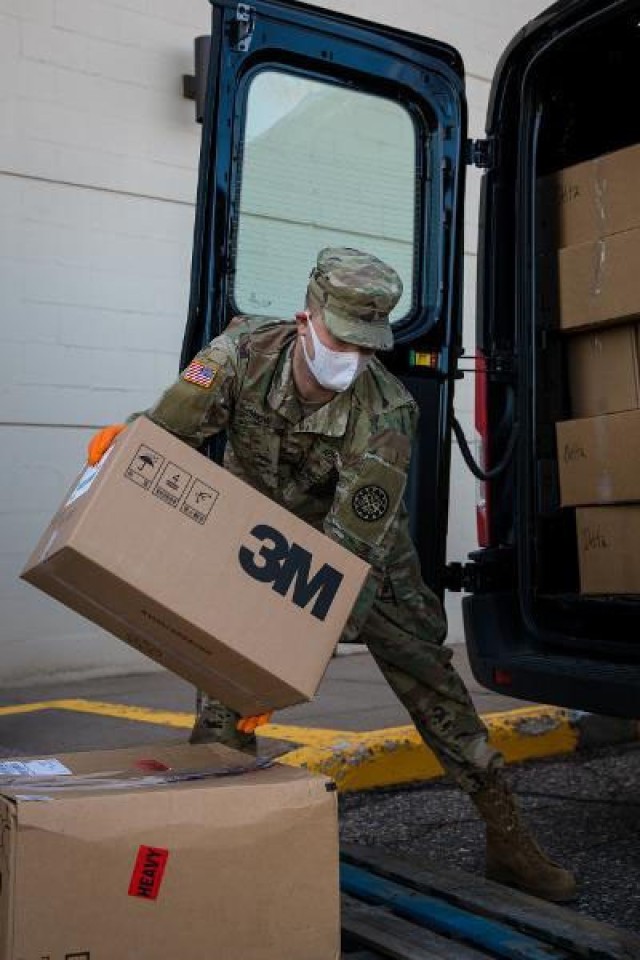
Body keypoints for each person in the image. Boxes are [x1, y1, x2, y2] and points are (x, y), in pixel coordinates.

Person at [88, 247, 576, 903]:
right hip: (253, 543)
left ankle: (508, 840)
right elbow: (167, 432)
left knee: (434, 686)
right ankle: (205, 849)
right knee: (219, 701)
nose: (354, 357)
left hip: (359, 559)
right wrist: (120, 456)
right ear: (304, 320)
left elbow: (342, 561)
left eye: (369, 345)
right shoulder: (239, 355)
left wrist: (283, 657)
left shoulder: (388, 414)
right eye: (343, 339)